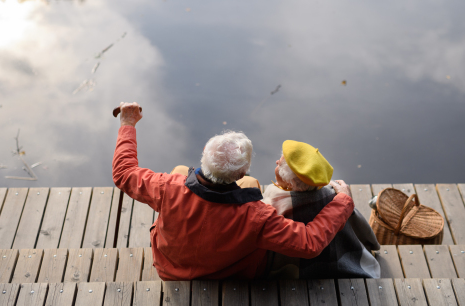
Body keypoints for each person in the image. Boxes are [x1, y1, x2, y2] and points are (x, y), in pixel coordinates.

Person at [112, 102, 356, 280]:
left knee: (178, 171)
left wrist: (127, 124)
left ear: (204, 154)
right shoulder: (258, 216)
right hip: (232, 275)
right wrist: (342, 201)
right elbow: (309, 243)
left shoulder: (167, 188)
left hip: (169, 270)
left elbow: (123, 173)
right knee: (253, 188)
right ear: (242, 173)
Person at [262, 140, 380, 279]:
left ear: (289, 182)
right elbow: (360, 227)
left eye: (279, 164)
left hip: (294, 270)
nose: (276, 162)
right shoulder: (336, 196)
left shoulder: (273, 201)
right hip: (339, 264)